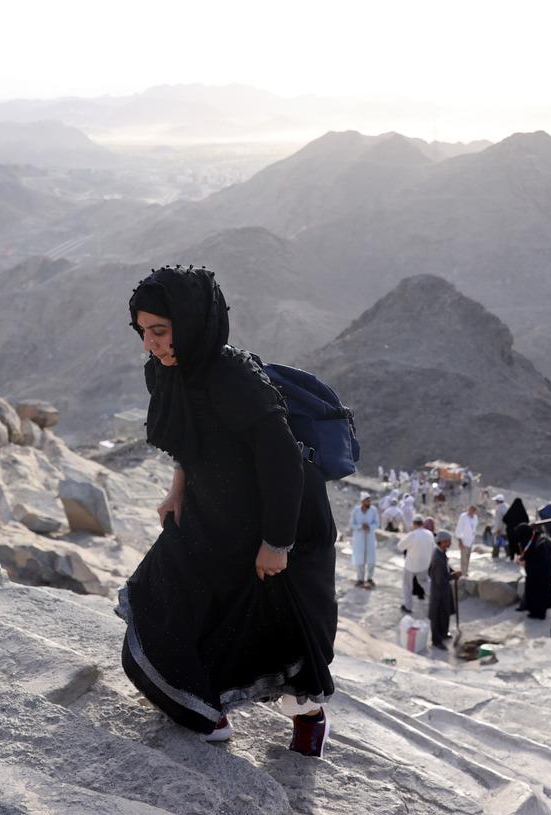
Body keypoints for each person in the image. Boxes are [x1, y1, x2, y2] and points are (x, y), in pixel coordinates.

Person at [120, 266, 335, 757]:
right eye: (143, 332)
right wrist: (177, 490)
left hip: (279, 520)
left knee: (281, 630)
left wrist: (276, 544)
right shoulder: (166, 371)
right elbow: (187, 440)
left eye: (160, 330)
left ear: (192, 321)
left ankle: (309, 719)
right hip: (212, 512)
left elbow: (284, 463)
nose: (152, 343)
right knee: (167, 597)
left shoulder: (232, 376)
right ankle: (203, 709)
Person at [428, 530, 460, 650]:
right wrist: (453, 576)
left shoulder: (441, 553)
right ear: (441, 542)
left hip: (444, 591)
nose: (450, 544)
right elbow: (439, 579)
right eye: (448, 542)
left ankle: (444, 634)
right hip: (438, 592)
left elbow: (446, 568)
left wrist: (452, 572)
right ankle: (436, 640)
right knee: (436, 615)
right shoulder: (437, 557)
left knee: (444, 613)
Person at [397, 516, 435, 614]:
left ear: (414, 524)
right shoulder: (429, 534)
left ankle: (408, 606)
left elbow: (400, 546)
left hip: (411, 565)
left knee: (407, 585)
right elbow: (433, 548)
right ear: (422, 523)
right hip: (424, 564)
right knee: (425, 582)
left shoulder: (412, 535)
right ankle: (436, 600)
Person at [518, 524, 551, 620]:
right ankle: (535, 611)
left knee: (538, 592)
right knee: (536, 591)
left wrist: (527, 564)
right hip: (540, 571)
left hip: (540, 573)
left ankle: (537, 613)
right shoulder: (535, 538)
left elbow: (538, 559)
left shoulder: (539, 542)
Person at [350, 492, 380, 588]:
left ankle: (370, 578)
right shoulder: (356, 510)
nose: (369, 502)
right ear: (362, 501)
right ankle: (360, 579)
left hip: (370, 537)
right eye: (367, 500)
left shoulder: (373, 510)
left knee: (371, 559)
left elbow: (377, 523)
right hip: (359, 538)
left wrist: (370, 527)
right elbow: (352, 524)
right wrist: (360, 526)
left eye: (369, 500)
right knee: (359, 560)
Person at [454, 504, 478, 575]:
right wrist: (460, 541)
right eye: (471, 510)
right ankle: (463, 572)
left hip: (470, 541)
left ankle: (466, 572)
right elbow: (459, 528)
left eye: (473, 511)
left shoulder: (475, 518)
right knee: (463, 558)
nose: (472, 512)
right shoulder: (463, 517)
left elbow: (474, 529)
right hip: (464, 541)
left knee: (468, 558)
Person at [491, 494, 508, 558]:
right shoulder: (506, 507)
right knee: (506, 543)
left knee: (496, 543)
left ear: (498, 501)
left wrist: (497, 530)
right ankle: (509, 555)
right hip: (506, 530)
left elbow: (499, 521)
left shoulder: (499, 508)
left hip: (500, 530)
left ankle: (495, 556)